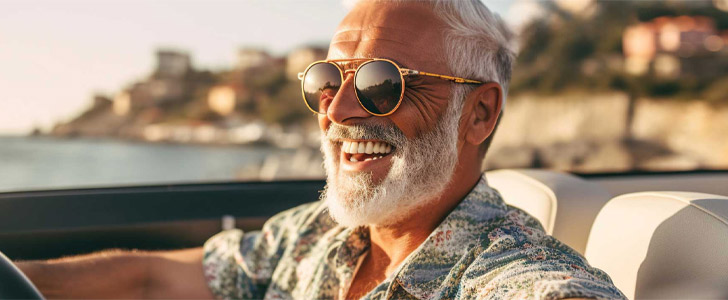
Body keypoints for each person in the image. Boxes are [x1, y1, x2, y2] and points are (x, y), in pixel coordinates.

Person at [17, 0, 626, 299]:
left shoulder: (506, 274)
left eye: (381, 85)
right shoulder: (310, 238)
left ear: (480, 113)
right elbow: (149, 278)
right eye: (326, 82)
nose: (335, 111)